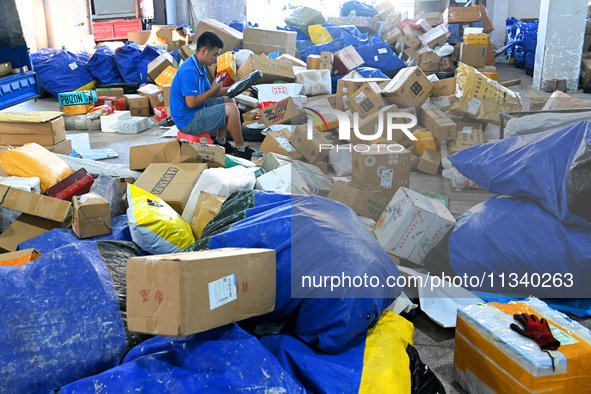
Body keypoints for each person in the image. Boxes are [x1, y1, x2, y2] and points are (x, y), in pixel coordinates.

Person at [170, 31, 255, 160]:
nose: (216, 58)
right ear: (203, 51)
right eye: (214, 54)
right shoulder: (189, 71)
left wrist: (233, 89)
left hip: (195, 110)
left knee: (229, 100)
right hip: (187, 120)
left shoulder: (199, 65)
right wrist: (213, 89)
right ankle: (241, 149)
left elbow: (210, 92)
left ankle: (220, 141)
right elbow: (191, 102)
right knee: (231, 110)